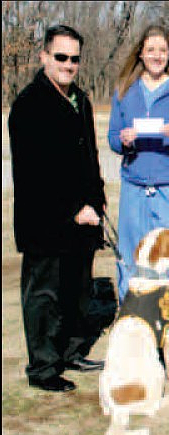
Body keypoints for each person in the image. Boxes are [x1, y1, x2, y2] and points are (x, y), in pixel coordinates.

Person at [8, 25, 106, 392]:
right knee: (44, 296)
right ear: (44, 57)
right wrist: (72, 210)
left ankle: (71, 352)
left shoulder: (80, 99)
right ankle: (44, 369)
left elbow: (90, 159)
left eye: (74, 58)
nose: (68, 64)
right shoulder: (29, 105)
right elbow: (35, 174)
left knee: (76, 292)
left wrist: (96, 201)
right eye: (61, 57)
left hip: (84, 219)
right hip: (46, 222)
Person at [107, 25, 169, 350]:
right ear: (140, 53)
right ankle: (134, 319)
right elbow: (113, 138)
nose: (157, 55)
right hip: (134, 186)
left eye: (163, 50)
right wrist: (122, 140)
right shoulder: (124, 89)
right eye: (151, 50)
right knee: (132, 255)